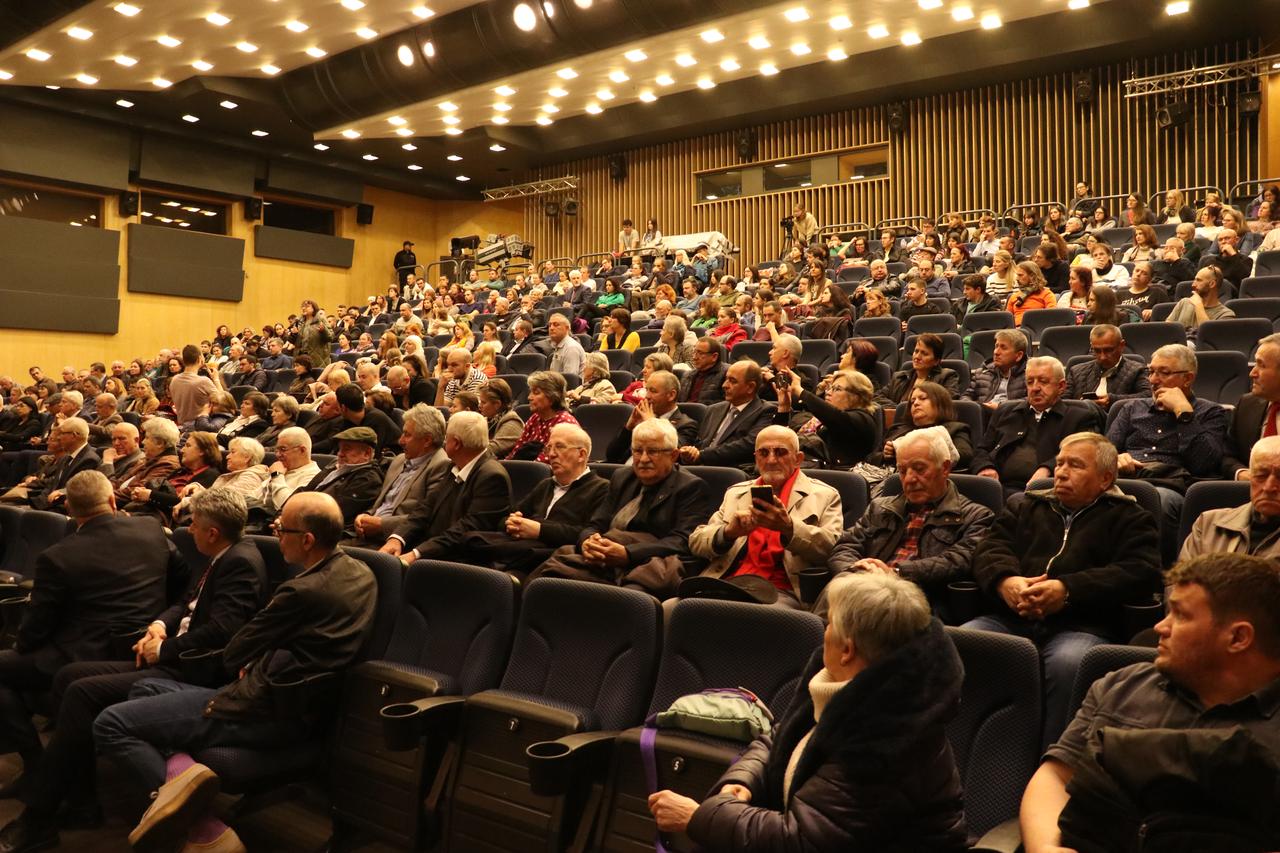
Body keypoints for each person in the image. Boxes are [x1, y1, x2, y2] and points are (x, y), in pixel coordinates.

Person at [94, 492, 375, 853]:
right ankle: (183, 776)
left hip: (262, 709)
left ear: (306, 540)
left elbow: (235, 653)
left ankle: (201, 825)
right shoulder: (362, 572)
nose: (275, 533)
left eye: (281, 528)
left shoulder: (301, 591)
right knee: (146, 689)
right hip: (291, 700)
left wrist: (258, 655)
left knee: (110, 723)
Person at [0, 487, 267, 852]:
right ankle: (78, 800)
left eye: (194, 524)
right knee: (68, 677)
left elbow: (224, 630)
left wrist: (164, 649)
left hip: (192, 671)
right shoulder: (225, 554)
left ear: (212, 532)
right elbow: (187, 602)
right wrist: (159, 624)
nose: (188, 530)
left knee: (79, 689)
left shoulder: (240, 561)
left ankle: (41, 812)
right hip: (171, 654)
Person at [650, 571, 966, 850]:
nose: (823, 631)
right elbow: (780, 737)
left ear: (847, 649)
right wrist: (745, 781)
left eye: (830, 625)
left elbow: (802, 840)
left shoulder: (886, 738)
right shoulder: (841, 684)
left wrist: (697, 818)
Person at [1020, 552, 1280, 853]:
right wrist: (1047, 848)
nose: (1160, 627)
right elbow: (1055, 777)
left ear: (1237, 638)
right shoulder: (1121, 686)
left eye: (1180, 615)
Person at [969, 432, 1162, 745]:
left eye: (1075, 465)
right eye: (1059, 463)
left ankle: (1053, 753)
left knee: (1069, 662)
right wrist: (1007, 581)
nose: (1061, 472)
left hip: (1082, 623)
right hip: (1011, 616)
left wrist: (1067, 590)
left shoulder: (1131, 517)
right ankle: (973, 744)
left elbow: (1139, 572)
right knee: (967, 640)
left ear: (1105, 478)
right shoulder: (1025, 505)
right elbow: (989, 549)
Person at [530, 419, 712, 595]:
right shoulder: (622, 477)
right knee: (550, 572)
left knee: (631, 595)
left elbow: (681, 541)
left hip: (651, 562)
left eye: (653, 451)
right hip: (606, 554)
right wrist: (588, 541)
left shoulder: (691, 486)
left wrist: (628, 554)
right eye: (637, 451)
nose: (643, 459)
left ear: (673, 455)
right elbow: (596, 524)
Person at [829, 426, 993, 614]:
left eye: (919, 469)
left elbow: (956, 562)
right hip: (862, 590)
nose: (909, 479)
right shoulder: (880, 507)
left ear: (945, 468)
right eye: (902, 470)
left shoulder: (976, 516)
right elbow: (845, 546)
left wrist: (896, 574)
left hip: (922, 603)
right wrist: (856, 571)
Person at [689, 426, 843, 608]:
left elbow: (832, 550)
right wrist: (728, 532)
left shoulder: (824, 496)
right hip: (729, 583)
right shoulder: (735, 493)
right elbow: (696, 541)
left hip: (782, 591)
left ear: (798, 459)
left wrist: (789, 528)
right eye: (763, 453)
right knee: (671, 609)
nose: (771, 460)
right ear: (756, 458)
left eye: (780, 452)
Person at [1108, 344, 1229, 557]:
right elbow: (1104, 451)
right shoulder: (1131, 408)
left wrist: (1183, 413)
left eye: (1164, 373)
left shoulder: (1210, 412)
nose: (1153, 380)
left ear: (1188, 379)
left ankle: (1160, 576)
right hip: (1128, 477)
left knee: (1157, 499)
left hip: (1170, 485)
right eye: (1151, 371)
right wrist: (1117, 458)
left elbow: (1203, 463)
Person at [455, 423, 610, 578]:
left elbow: (587, 534)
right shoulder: (546, 484)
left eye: (560, 447)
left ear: (581, 455)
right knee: (470, 539)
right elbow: (508, 517)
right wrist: (512, 524)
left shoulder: (601, 488)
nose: (552, 454)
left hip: (553, 554)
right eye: (549, 448)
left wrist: (539, 530)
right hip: (521, 546)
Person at [380, 411, 512, 563]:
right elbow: (425, 509)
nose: (443, 442)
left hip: (460, 563)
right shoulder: (454, 465)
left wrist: (416, 553)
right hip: (434, 551)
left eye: (446, 437)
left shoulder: (492, 478)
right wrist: (397, 539)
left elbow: (464, 532)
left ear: (456, 443)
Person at [972, 357, 1104, 493]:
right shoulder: (1005, 411)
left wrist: (1047, 469)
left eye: (1043, 381)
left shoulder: (1079, 417)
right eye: (1030, 382)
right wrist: (985, 467)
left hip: (1047, 491)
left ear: (1061, 386)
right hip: (997, 488)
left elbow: (1080, 456)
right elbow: (982, 450)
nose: (1035, 388)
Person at [678, 361, 776, 469]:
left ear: (750, 387)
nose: (724, 385)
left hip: (731, 471)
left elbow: (748, 445)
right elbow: (699, 442)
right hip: (697, 468)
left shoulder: (765, 411)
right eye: (726, 379)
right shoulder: (713, 409)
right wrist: (689, 453)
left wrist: (701, 455)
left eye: (732, 381)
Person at [775, 367, 878, 469]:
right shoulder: (815, 420)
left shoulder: (863, 420)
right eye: (830, 388)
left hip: (836, 479)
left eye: (837, 389)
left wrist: (800, 391)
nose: (828, 392)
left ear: (857, 396)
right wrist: (784, 408)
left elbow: (837, 417)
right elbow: (780, 441)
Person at [294, 426, 385, 527]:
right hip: (300, 518)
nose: (340, 454)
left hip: (318, 529)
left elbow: (331, 514)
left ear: (367, 453)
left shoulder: (367, 480)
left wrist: (292, 519)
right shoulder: (335, 464)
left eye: (346, 449)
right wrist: (282, 514)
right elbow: (305, 489)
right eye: (340, 448)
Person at [606, 370, 699, 464]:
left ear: (671, 395)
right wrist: (628, 428)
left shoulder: (687, 425)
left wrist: (652, 423)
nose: (647, 396)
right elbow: (612, 456)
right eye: (647, 390)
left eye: (653, 391)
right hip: (627, 472)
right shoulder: (641, 419)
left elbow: (674, 456)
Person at [879, 382, 975, 472]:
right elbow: (871, 457)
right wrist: (885, 454)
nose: (916, 403)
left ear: (940, 403)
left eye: (923, 398)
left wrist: (927, 451)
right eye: (912, 401)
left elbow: (966, 456)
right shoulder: (898, 429)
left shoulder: (955, 429)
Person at [1223, 333, 1280, 481]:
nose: (1252, 373)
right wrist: (1241, 473)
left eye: (1261, 365)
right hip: (1249, 496)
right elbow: (1226, 456)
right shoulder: (1247, 405)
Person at [1065, 323, 1150, 411]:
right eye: (1097, 351)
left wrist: (1113, 400)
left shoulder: (1138, 370)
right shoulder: (1076, 371)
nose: (1103, 357)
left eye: (1108, 350)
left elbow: (1148, 396)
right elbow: (1063, 402)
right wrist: (1082, 405)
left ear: (1121, 345)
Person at [875, 333, 962, 405]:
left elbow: (946, 402)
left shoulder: (947, 376)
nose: (917, 357)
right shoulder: (899, 377)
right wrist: (898, 409)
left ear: (936, 361)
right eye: (916, 351)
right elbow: (877, 397)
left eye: (924, 353)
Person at [964, 329, 1028, 409]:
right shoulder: (982, 373)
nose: (996, 352)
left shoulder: (1030, 374)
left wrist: (1002, 407)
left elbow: (1031, 401)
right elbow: (966, 397)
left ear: (1019, 356)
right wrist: (979, 408)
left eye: (1003, 348)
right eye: (996, 346)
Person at [1166, 264, 1235, 335]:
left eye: (1198, 280)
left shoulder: (1226, 315)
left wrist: (1198, 305)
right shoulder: (1184, 302)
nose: (1193, 285)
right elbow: (1166, 331)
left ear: (1212, 284)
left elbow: (1210, 337)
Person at [167, 345, 218, 428]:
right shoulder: (203, 381)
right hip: (200, 428)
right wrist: (216, 379)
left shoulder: (174, 380)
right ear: (199, 359)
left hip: (182, 427)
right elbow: (225, 402)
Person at [678, 337, 729, 405]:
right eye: (694, 352)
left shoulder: (727, 374)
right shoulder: (687, 375)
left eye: (700, 353)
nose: (694, 357)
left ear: (714, 357)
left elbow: (726, 405)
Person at [1005, 261, 1055, 325]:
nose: (1017, 278)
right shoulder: (1014, 297)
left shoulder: (1046, 294)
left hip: (1038, 329)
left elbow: (1052, 316)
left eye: (1020, 275)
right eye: (1017, 275)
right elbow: (1006, 320)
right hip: (1016, 331)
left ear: (1032, 276)